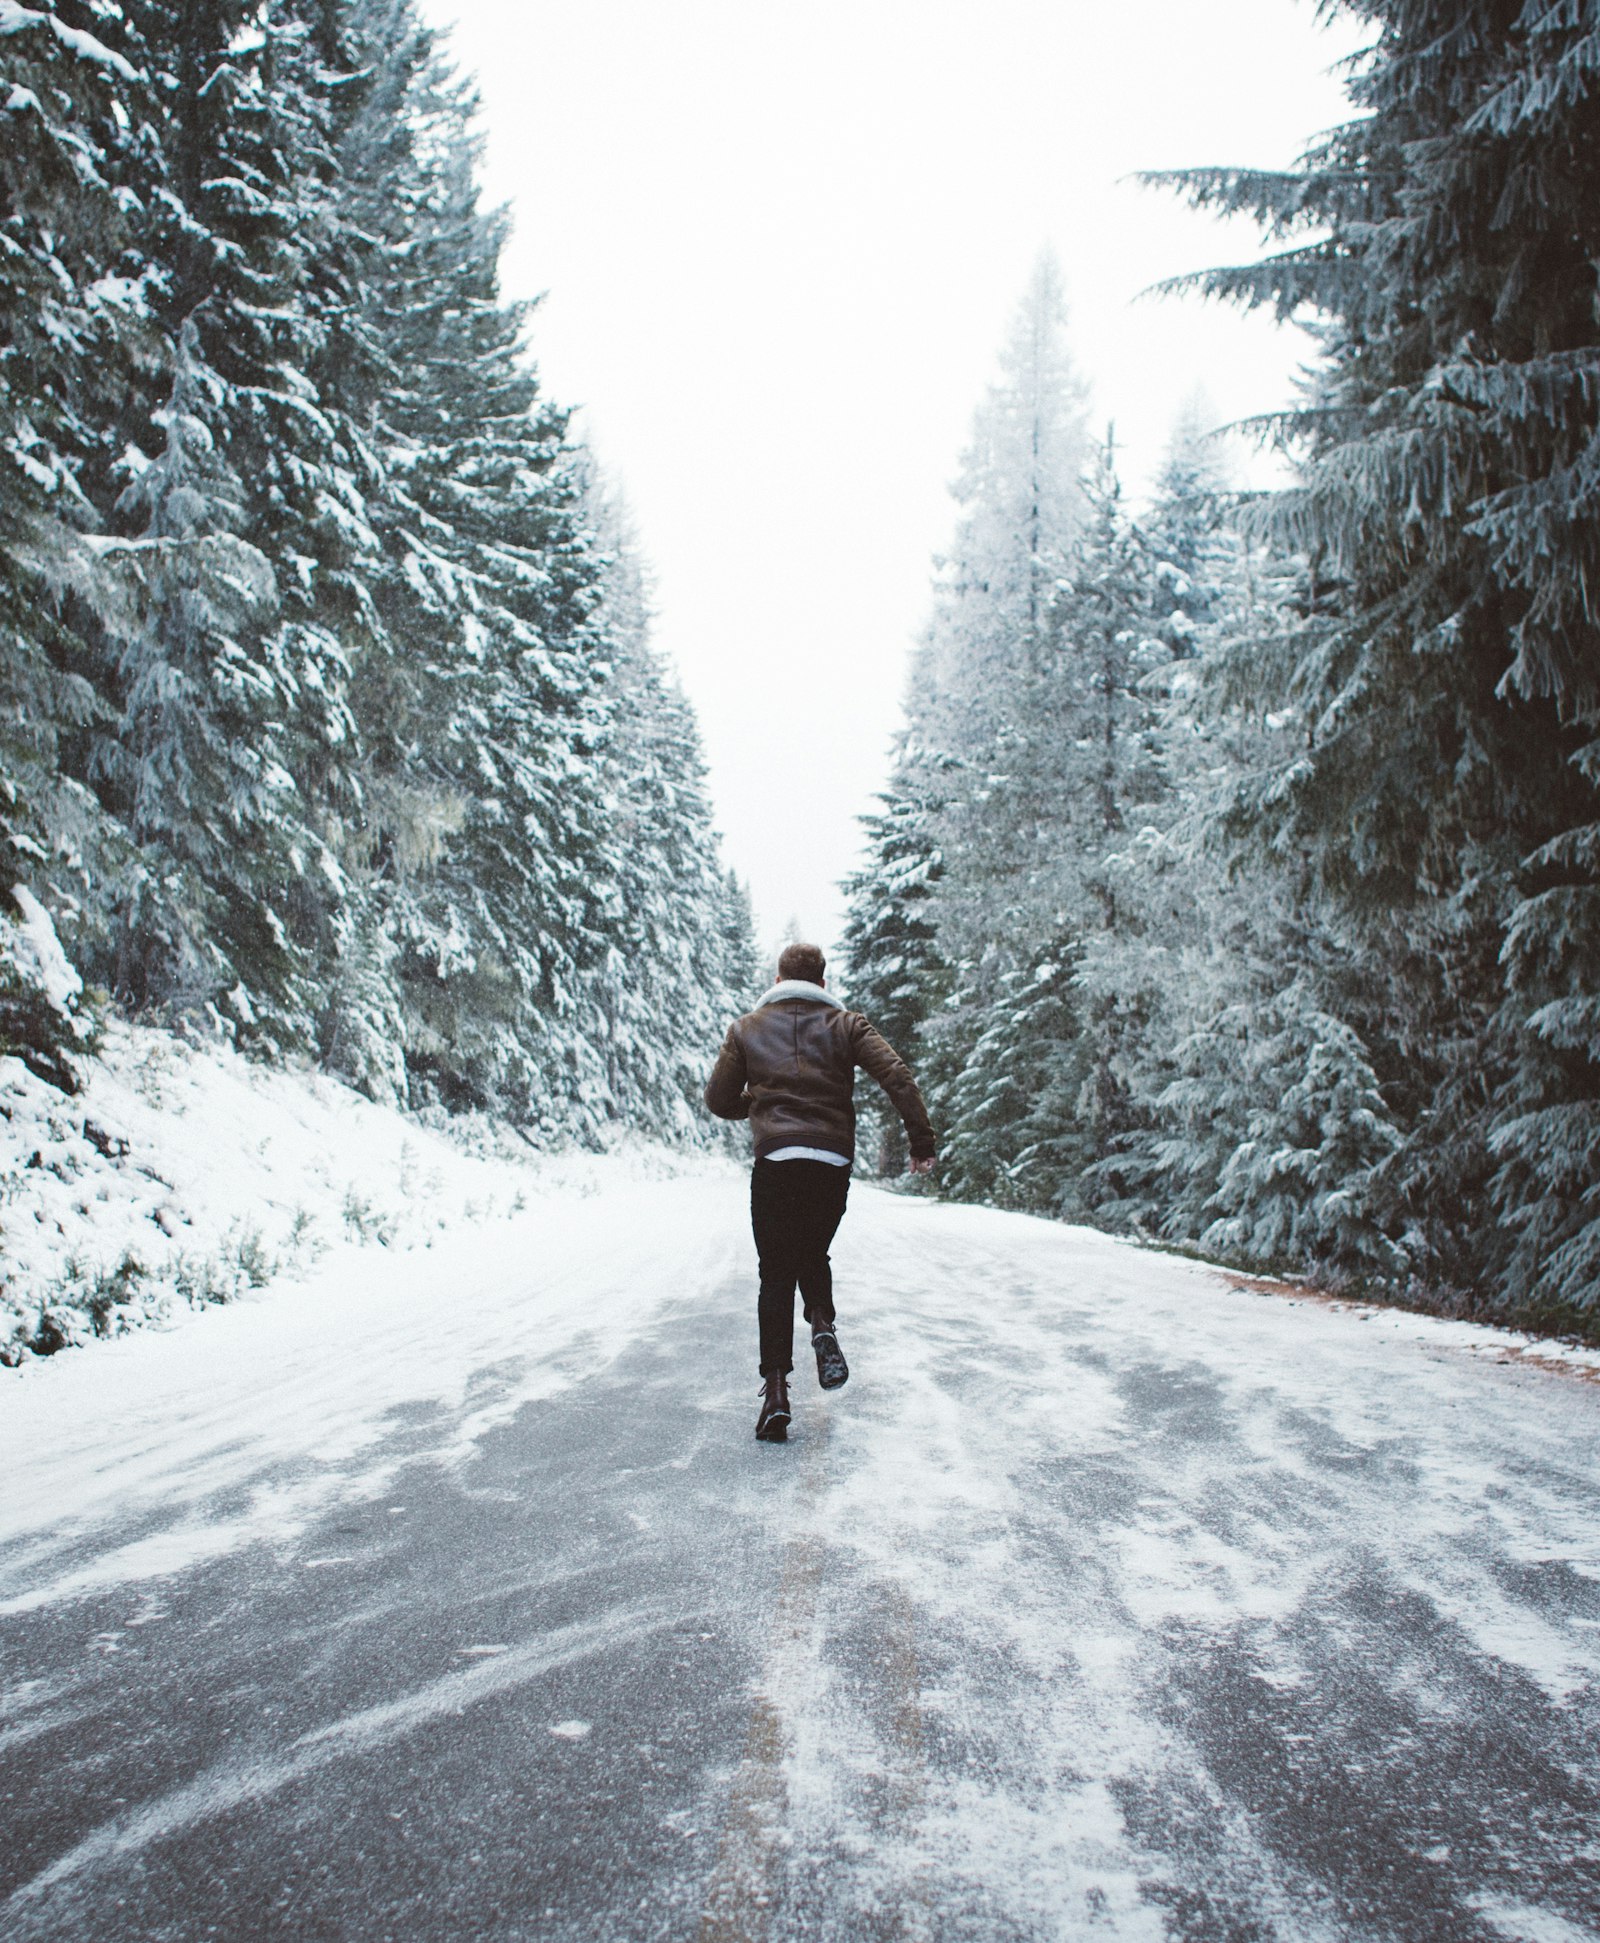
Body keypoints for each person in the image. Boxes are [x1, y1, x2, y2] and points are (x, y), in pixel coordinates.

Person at [704, 941, 936, 1442]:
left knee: (775, 1272)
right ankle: (823, 1322)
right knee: (813, 1249)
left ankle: (777, 1393)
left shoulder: (746, 1029)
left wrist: (761, 1104)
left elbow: (718, 1098)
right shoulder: (848, 1025)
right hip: (830, 1161)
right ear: (823, 983)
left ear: (777, 978)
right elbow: (896, 1074)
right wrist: (921, 1140)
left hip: (776, 1161)